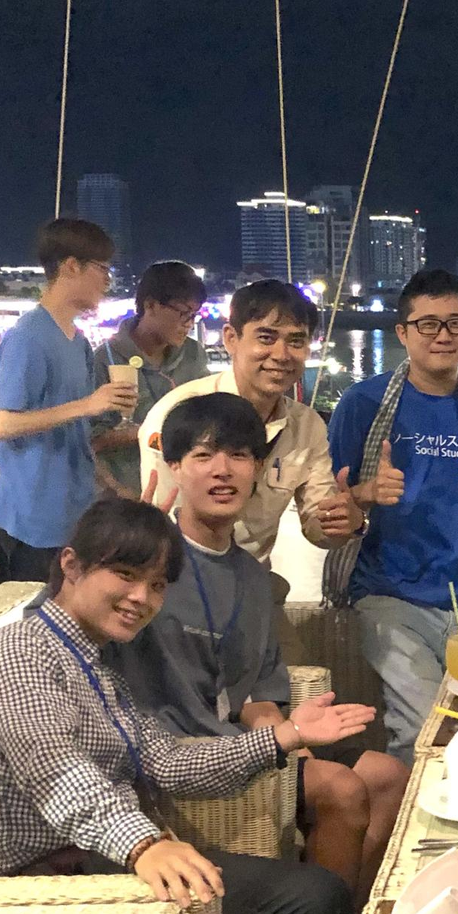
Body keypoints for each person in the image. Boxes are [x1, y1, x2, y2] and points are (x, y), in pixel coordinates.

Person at [0, 497, 376, 914]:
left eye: (156, 585)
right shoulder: (17, 653)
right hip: (44, 882)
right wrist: (143, 844)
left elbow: (167, 762)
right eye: (126, 575)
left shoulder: (96, 663)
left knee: (323, 895)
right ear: (72, 565)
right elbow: (55, 771)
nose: (141, 598)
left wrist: (285, 736)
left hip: (105, 859)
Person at [111, 393, 407, 895]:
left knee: (389, 774)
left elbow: (260, 699)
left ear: (259, 470)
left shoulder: (251, 577)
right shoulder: (144, 565)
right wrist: (122, 554)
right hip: (174, 752)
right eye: (203, 456)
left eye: (239, 456)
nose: (222, 471)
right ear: (174, 467)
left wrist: (294, 742)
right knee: (341, 789)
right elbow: (72, 619)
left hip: (237, 739)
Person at [327, 269, 458, 761]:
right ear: (403, 332)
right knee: (423, 730)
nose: (443, 336)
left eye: (456, 323)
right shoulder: (363, 403)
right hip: (390, 594)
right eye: (428, 324)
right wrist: (368, 491)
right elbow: (330, 504)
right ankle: (413, 814)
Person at [138, 279, 363, 662]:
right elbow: (161, 522)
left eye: (296, 341)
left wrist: (345, 522)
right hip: (180, 587)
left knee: (304, 682)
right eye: (266, 337)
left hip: (254, 586)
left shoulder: (306, 427)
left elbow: (317, 527)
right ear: (231, 338)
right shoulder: (180, 414)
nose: (281, 354)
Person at [0, 218, 138, 582]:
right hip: (32, 518)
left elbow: (76, 436)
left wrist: (114, 489)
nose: (107, 280)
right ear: (72, 266)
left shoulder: (79, 342)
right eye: (102, 269)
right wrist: (88, 405)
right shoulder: (27, 337)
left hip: (73, 514)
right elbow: (1, 424)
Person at [92, 261, 209, 497]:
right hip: (129, 494)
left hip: (185, 492)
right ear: (150, 305)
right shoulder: (106, 359)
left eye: (194, 315)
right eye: (183, 313)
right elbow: (90, 442)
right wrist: (145, 432)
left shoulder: (193, 354)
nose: (189, 324)